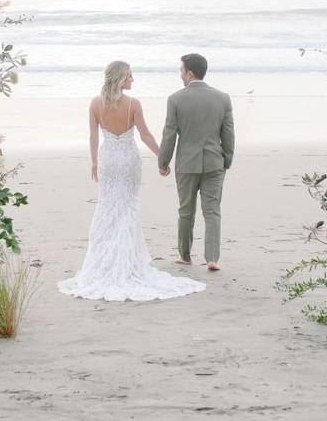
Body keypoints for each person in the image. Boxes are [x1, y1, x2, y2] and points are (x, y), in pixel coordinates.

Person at [58, 61, 206, 301]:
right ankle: (126, 261)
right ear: (120, 79)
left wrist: (94, 162)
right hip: (128, 159)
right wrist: (163, 159)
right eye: (129, 76)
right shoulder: (133, 104)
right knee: (128, 208)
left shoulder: (95, 103)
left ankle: (104, 260)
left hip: (108, 159)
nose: (132, 80)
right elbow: (145, 135)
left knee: (107, 207)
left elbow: (93, 135)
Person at [158, 53, 235, 271]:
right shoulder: (222, 98)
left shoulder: (175, 99)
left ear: (190, 73)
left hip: (187, 164)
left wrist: (163, 162)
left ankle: (185, 255)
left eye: (181, 71)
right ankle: (212, 259)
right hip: (214, 162)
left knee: (186, 211)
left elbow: (169, 134)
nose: (180, 75)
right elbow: (228, 132)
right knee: (212, 211)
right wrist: (227, 159)